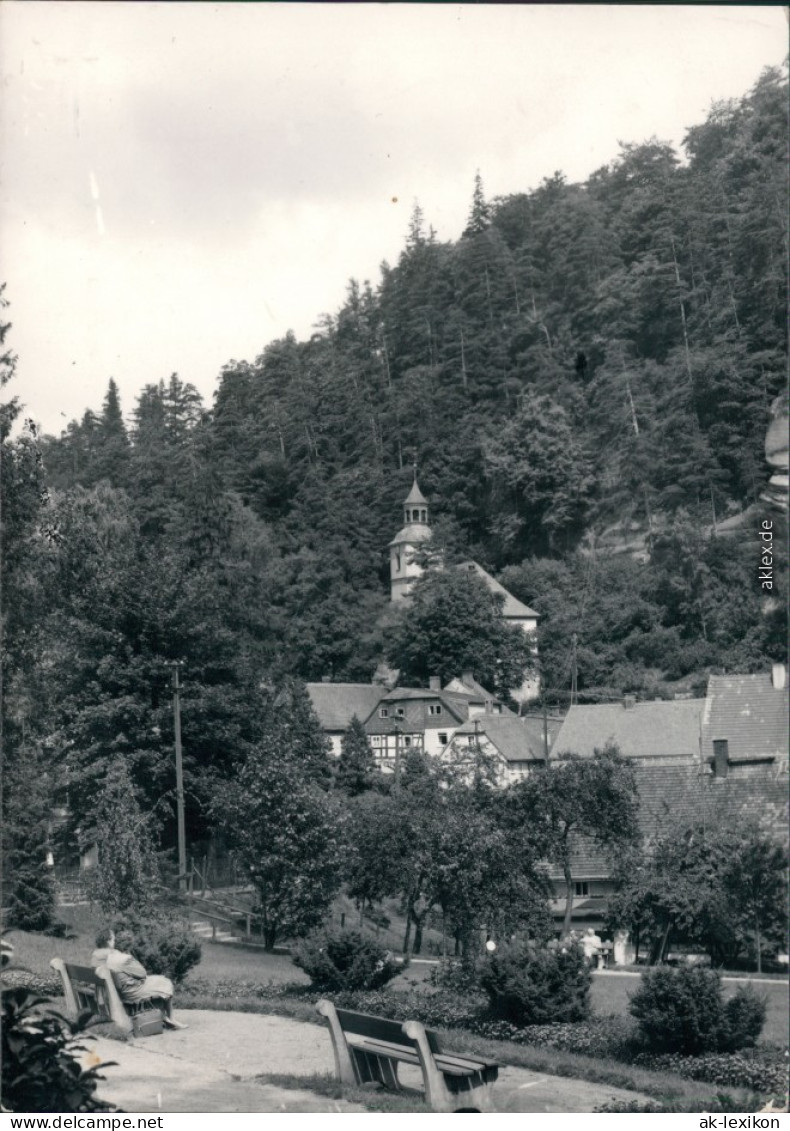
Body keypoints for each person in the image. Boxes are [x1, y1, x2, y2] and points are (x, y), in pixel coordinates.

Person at [91, 928, 187, 1030]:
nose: (114, 942)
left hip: (114, 991)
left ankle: (163, 1016)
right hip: (130, 992)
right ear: (109, 941)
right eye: (113, 940)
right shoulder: (120, 957)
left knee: (158, 980)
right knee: (165, 982)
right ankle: (170, 1017)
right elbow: (142, 974)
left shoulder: (96, 956)